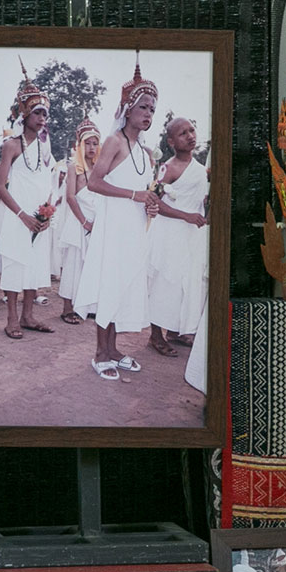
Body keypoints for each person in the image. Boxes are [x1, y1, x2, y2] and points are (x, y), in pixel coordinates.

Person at [75, 58, 161, 380]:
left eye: (152, 109)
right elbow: (94, 183)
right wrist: (134, 195)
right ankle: (100, 353)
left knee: (124, 286)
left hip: (134, 228)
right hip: (113, 228)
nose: (148, 113)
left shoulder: (145, 152)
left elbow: (144, 191)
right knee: (109, 284)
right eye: (143, 107)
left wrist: (149, 205)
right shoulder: (114, 141)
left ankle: (113, 350)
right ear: (128, 108)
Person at [0, 67, 58, 340]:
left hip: (38, 218)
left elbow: (47, 182)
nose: (42, 119)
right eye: (37, 113)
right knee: (15, 264)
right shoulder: (11, 145)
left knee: (34, 265)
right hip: (17, 215)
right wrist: (22, 215)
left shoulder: (45, 146)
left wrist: (46, 213)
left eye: (45, 114)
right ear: (25, 115)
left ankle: (28, 316)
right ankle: (12, 319)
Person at [145, 116, 209, 358]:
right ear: (171, 141)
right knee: (166, 281)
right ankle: (155, 335)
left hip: (191, 235)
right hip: (170, 232)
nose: (190, 136)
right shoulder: (168, 168)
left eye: (192, 130)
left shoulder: (200, 169)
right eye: (183, 133)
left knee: (187, 282)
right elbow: (156, 202)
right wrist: (186, 216)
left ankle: (176, 330)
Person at [52, 119, 101, 326]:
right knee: (73, 264)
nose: (91, 148)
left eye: (95, 143)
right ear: (80, 145)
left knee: (92, 265)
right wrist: (84, 222)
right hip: (79, 221)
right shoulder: (74, 167)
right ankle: (67, 308)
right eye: (87, 143)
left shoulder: (100, 168)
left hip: (96, 222)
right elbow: (71, 197)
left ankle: (88, 306)